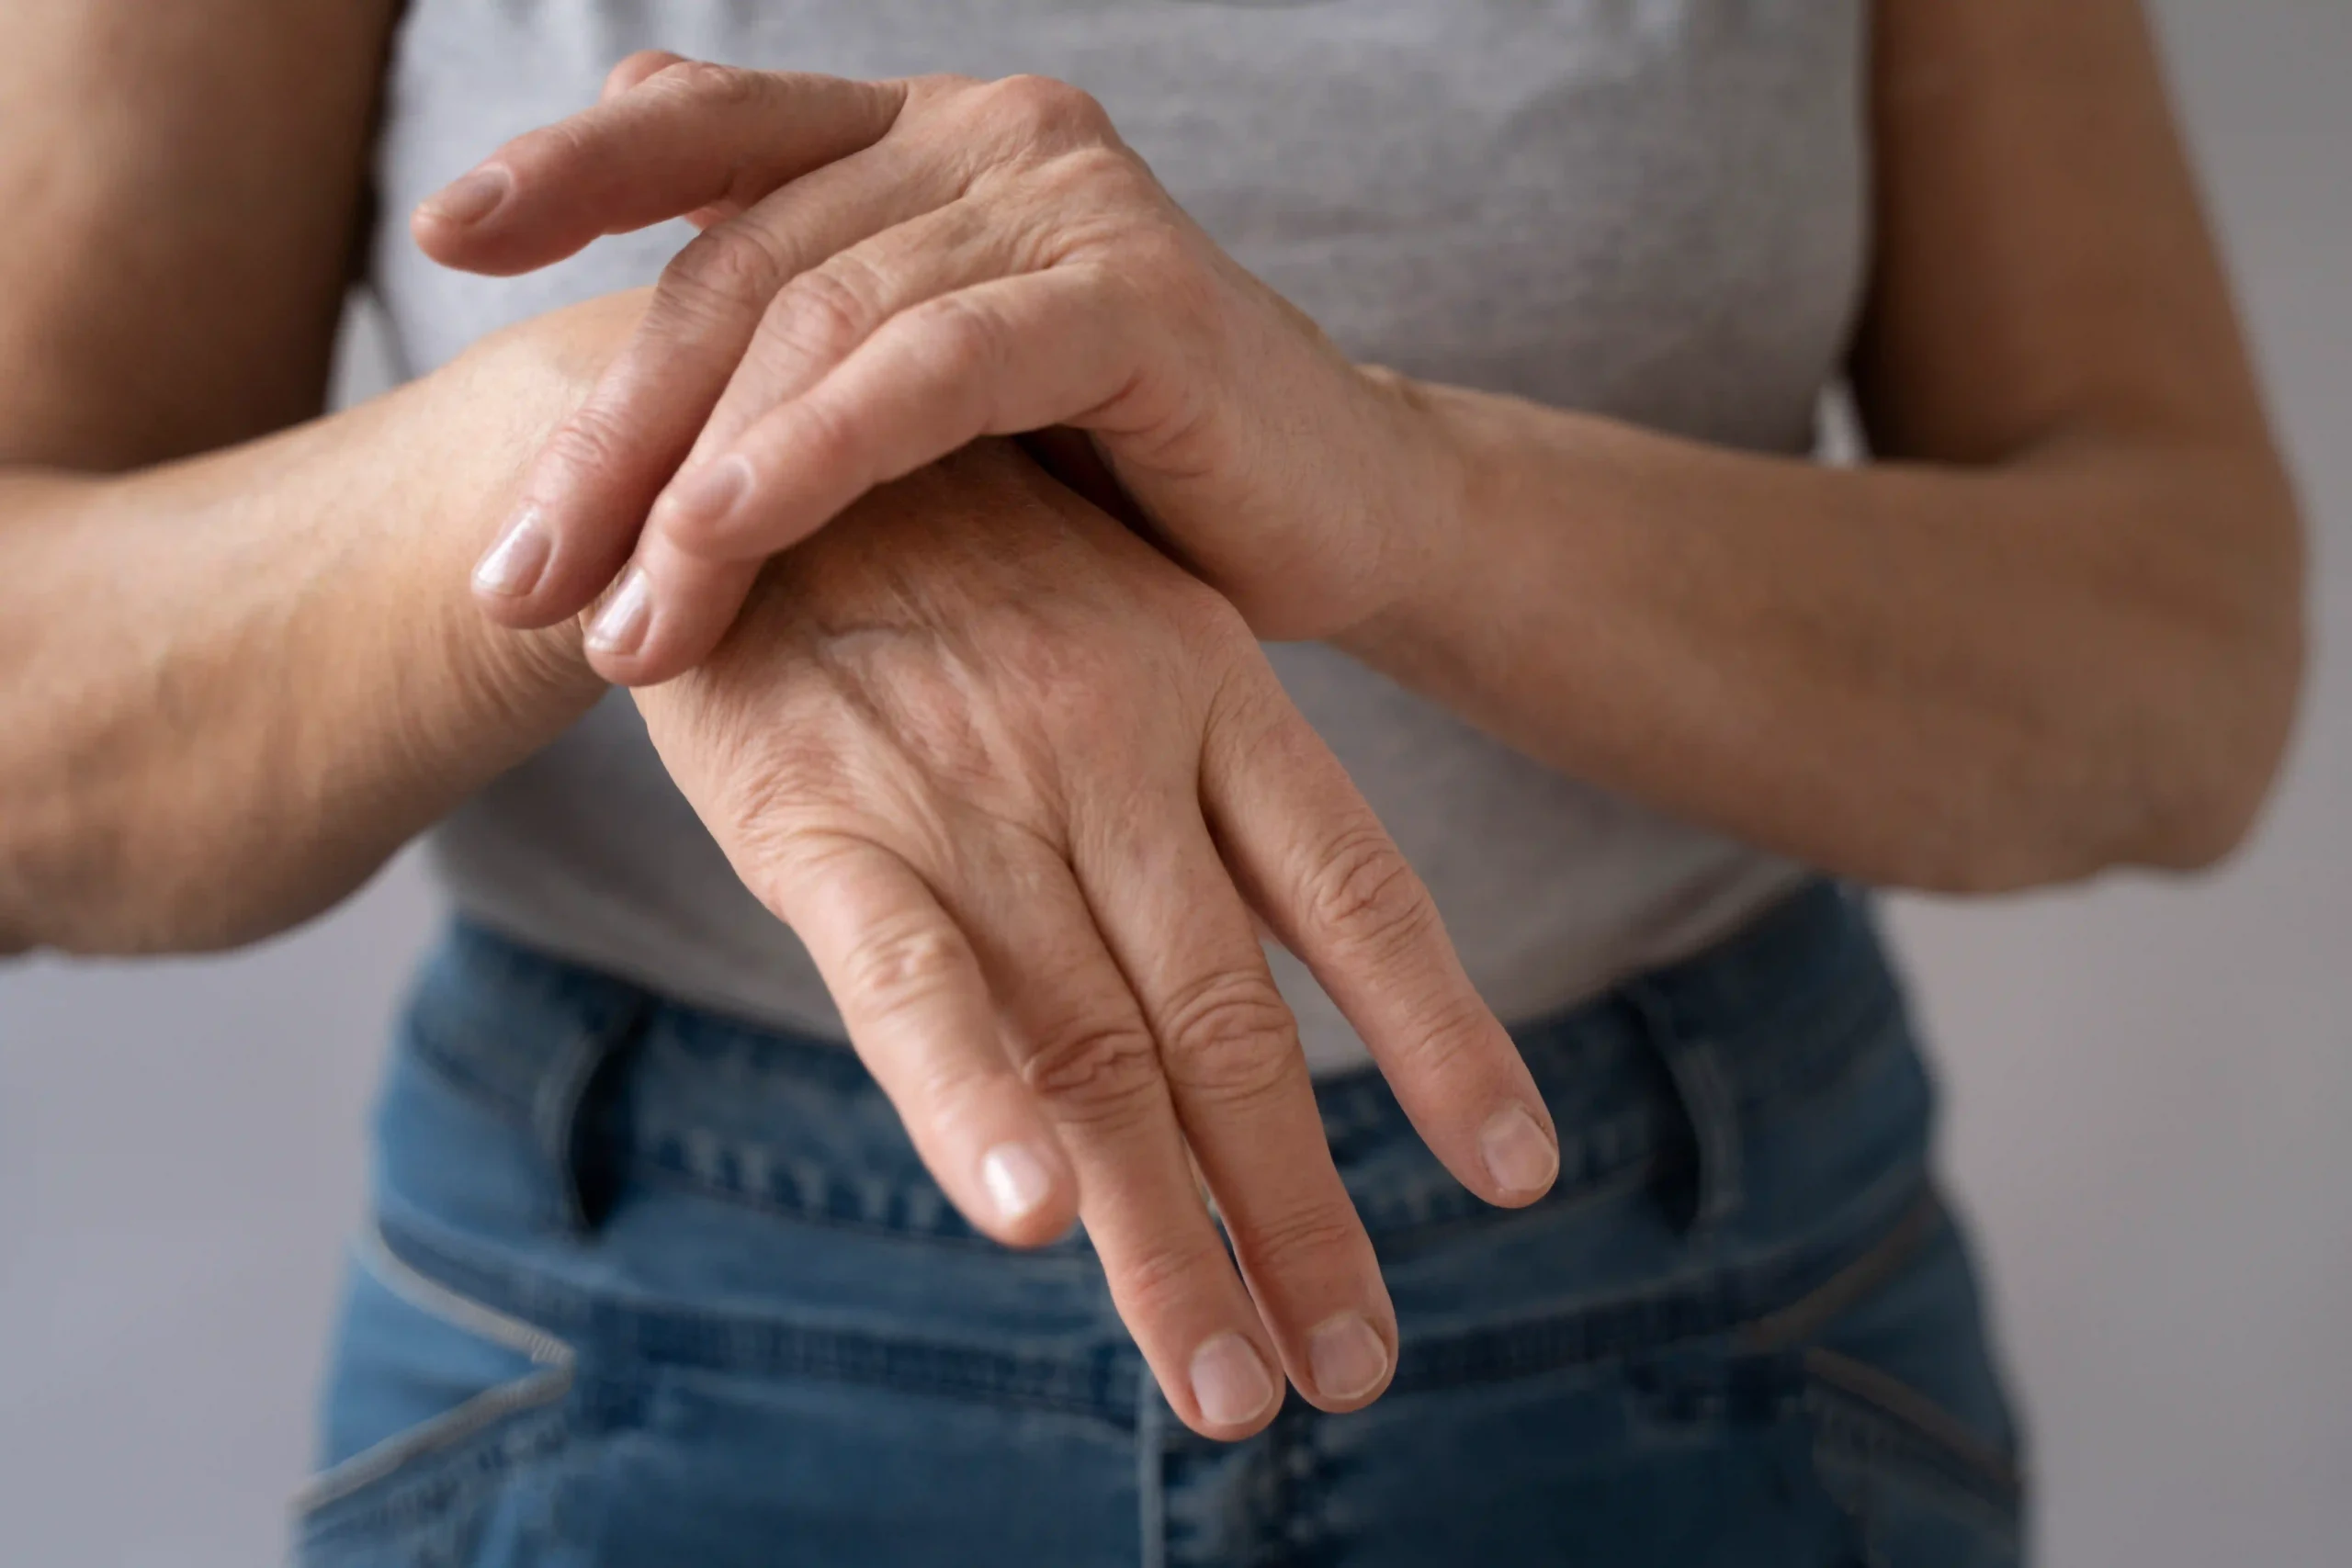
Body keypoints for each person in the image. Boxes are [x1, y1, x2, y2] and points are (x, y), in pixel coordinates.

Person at [0, 2, 2303, 1563]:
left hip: (1697, 1313)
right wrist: (649, 446)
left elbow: (2176, 650)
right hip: (651, 1336)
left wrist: (1407, 493)